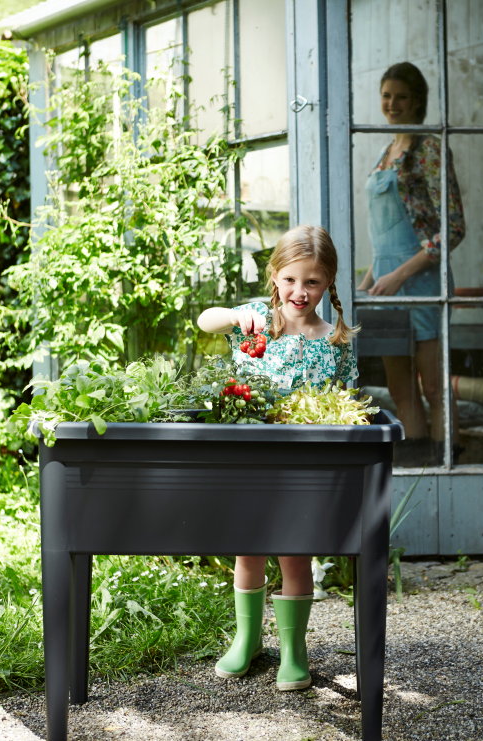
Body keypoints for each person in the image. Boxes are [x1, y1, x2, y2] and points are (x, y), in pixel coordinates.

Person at [197, 224, 358, 690]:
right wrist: (232, 314)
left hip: (302, 468)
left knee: (295, 554)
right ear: (274, 276)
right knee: (248, 550)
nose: (299, 291)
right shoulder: (255, 319)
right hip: (249, 460)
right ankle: (246, 640)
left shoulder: (335, 341)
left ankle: (293, 649)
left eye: (312, 282)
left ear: (328, 283)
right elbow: (206, 321)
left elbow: (346, 404)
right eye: (290, 280)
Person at [357, 61, 466, 464]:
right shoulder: (387, 151)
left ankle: (447, 469)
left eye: (401, 96)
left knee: (434, 386)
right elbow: (382, 237)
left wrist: (400, 274)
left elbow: (453, 228)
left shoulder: (431, 149)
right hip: (385, 285)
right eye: (386, 96)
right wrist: (368, 282)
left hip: (419, 282)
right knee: (399, 388)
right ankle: (418, 469)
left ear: (417, 100)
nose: (392, 104)